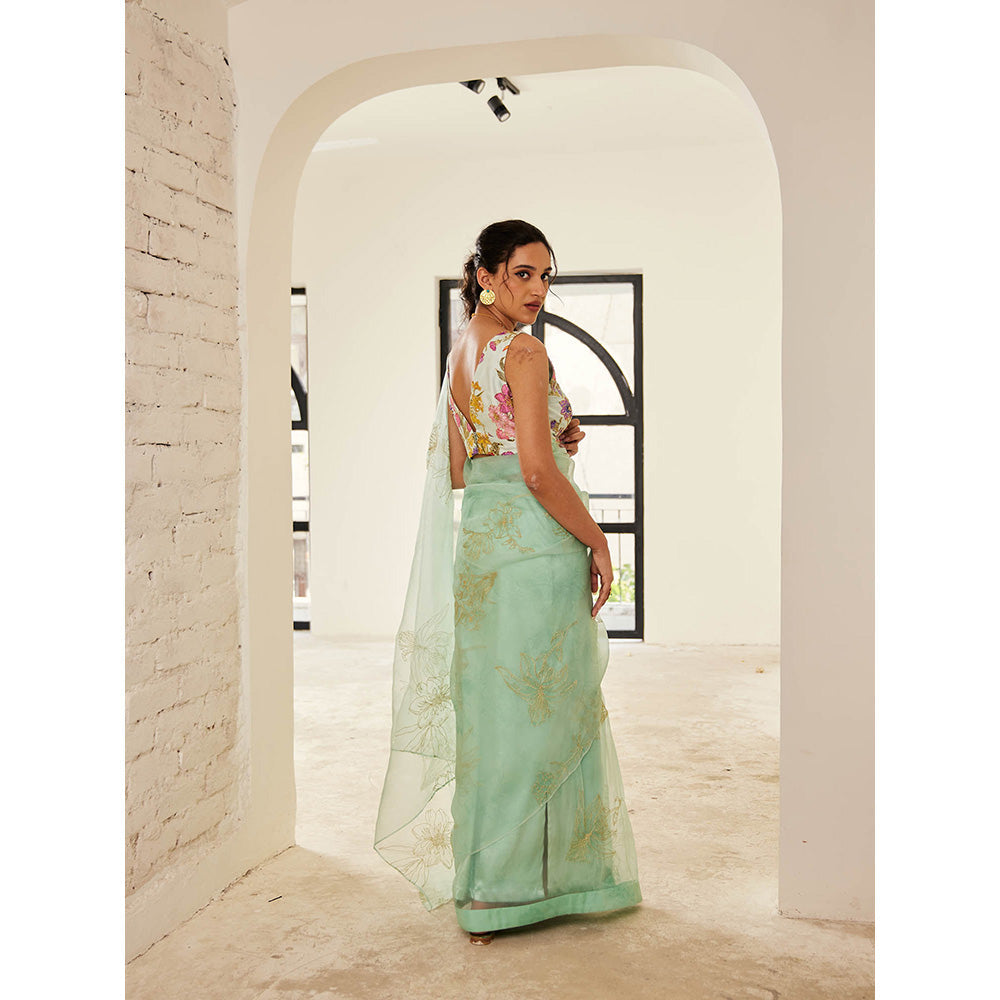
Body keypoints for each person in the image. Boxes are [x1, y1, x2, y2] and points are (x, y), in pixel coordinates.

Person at [374, 220, 641, 945]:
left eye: (546, 276)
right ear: (486, 276)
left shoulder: (463, 353)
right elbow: (537, 474)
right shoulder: (523, 352)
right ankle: (546, 884)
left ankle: (488, 889)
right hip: (536, 552)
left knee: (497, 720)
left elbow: (462, 471)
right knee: (546, 712)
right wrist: (597, 538)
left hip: (484, 557)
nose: (537, 289)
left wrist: (551, 433)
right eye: (523, 273)